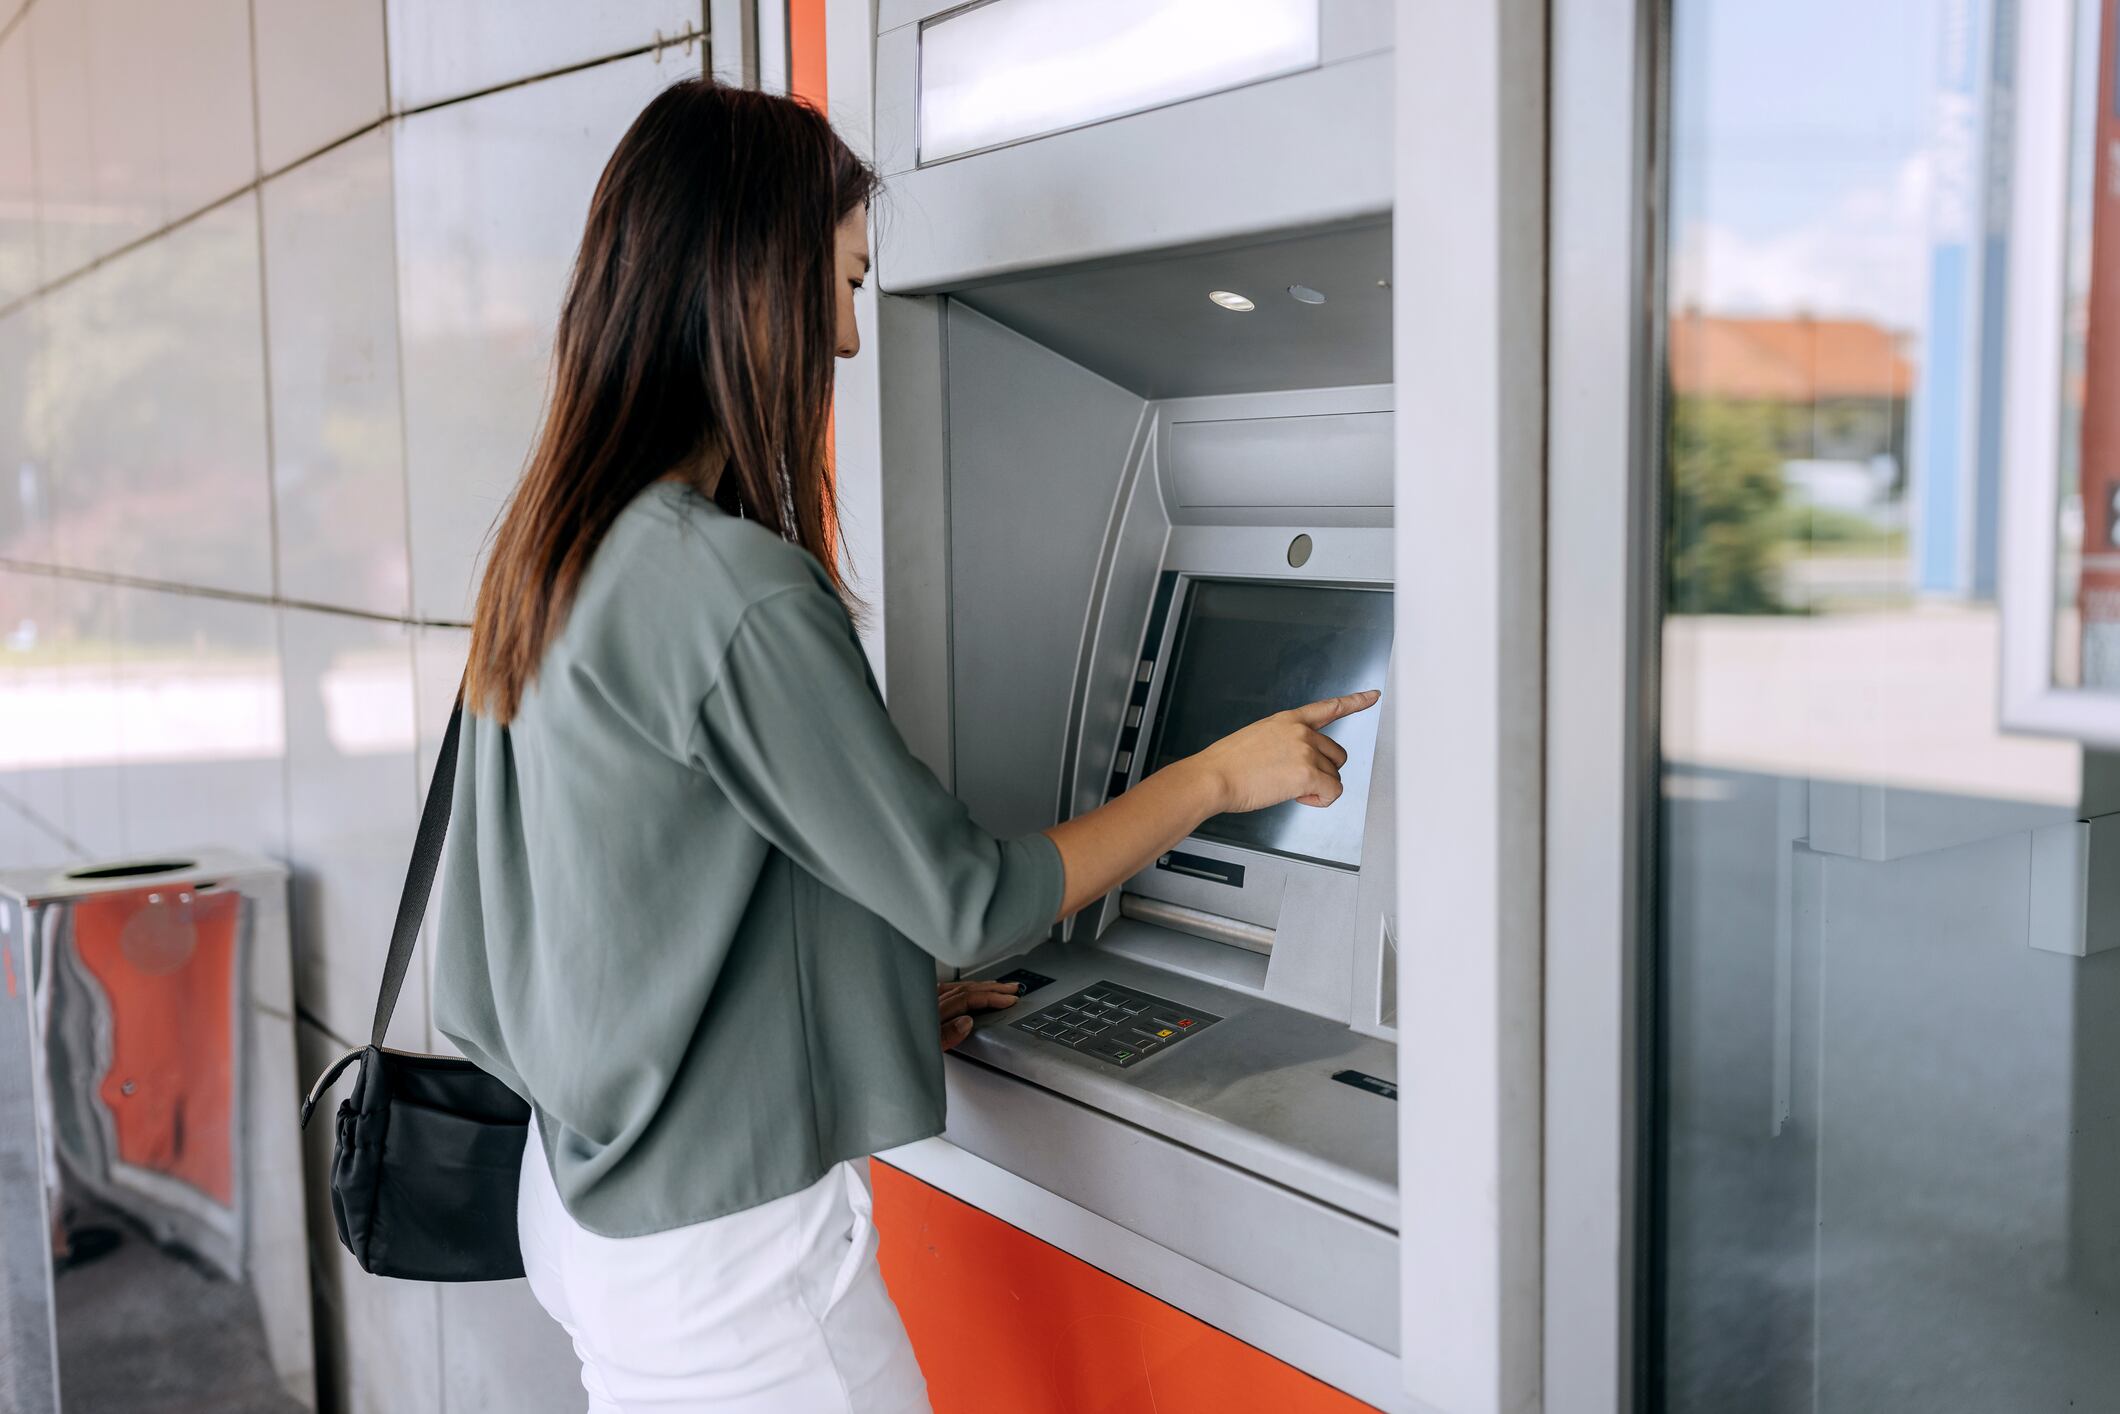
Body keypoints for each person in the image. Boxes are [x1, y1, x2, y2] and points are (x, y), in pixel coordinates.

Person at [430, 78, 1379, 1414]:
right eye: (844, 284)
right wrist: (1222, 774)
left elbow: (631, 900)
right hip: (727, 1257)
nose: (849, 342)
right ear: (751, 282)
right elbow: (969, 896)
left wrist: (846, 1013)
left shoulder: (558, 549)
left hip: (591, 1200)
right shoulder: (732, 590)